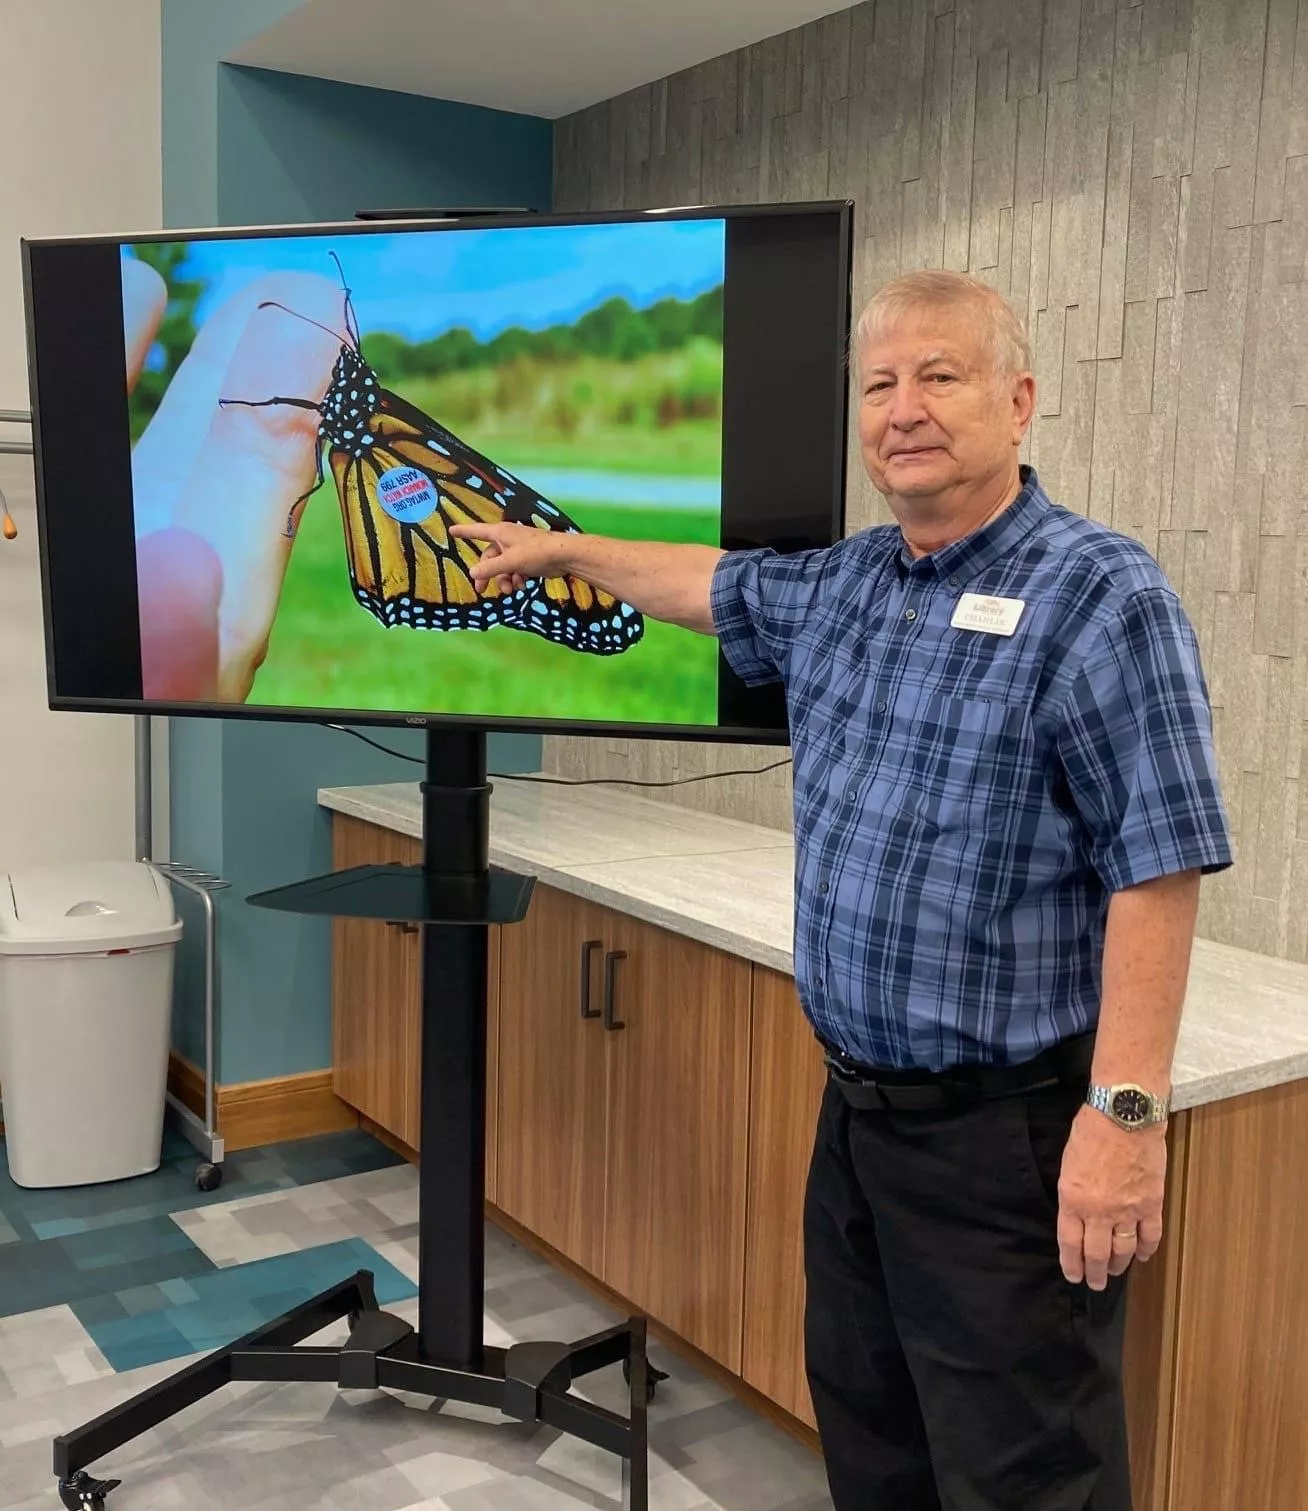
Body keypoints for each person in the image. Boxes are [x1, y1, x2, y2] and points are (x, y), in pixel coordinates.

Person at [450, 269, 1234, 1511]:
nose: (903, 408)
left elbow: (1162, 860)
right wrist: (561, 549)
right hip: (859, 1126)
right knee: (873, 1437)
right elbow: (701, 581)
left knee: (1027, 1471)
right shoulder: (847, 585)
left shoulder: (1100, 593)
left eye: (940, 375)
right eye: (880, 384)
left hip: (1009, 1143)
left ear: (1018, 400)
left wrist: (1125, 1119)